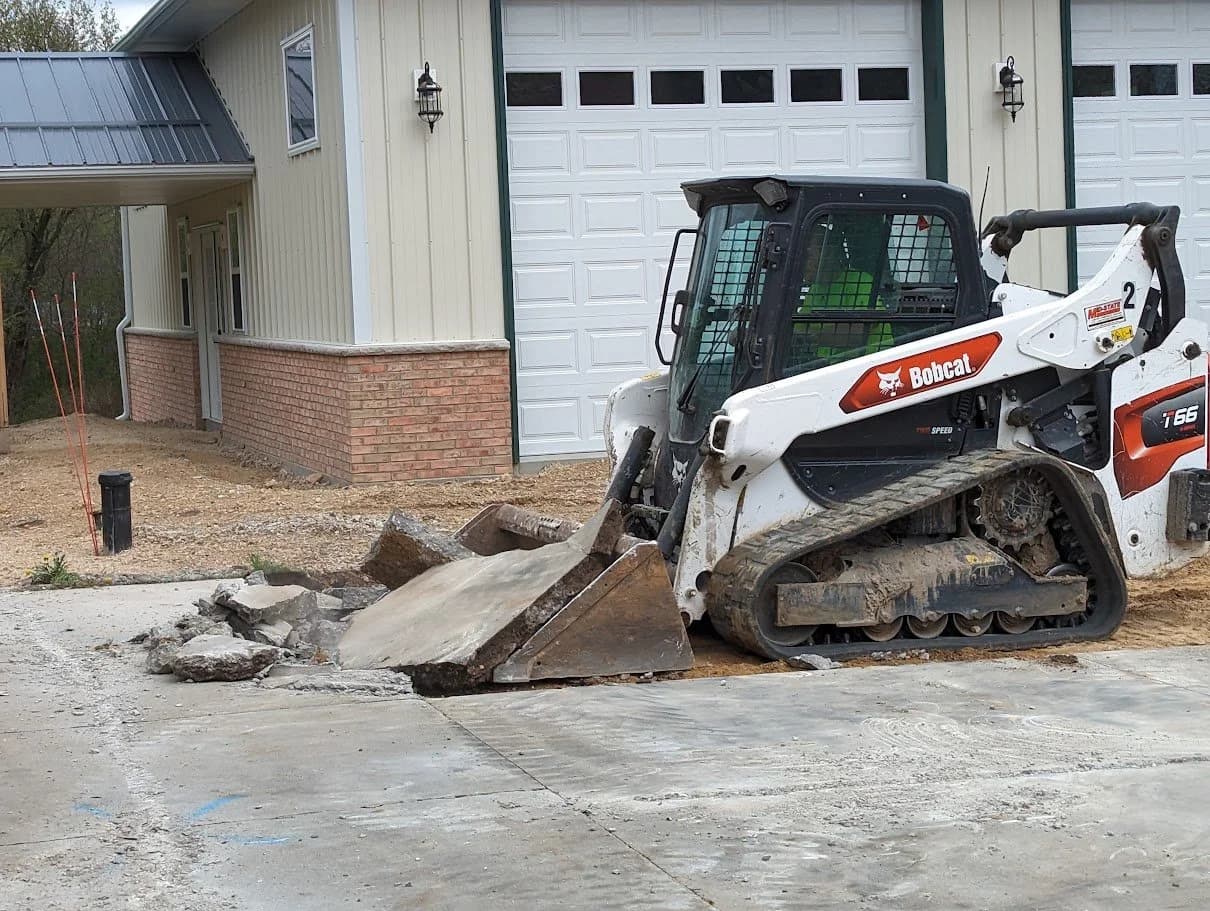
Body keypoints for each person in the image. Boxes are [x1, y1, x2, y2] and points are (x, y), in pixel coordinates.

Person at [792, 216, 893, 369]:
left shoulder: (862, 282)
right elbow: (798, 329)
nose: (800, 263)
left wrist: (812, 338)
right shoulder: (815, 290)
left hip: (871, 368)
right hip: (829, 368)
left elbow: (860, 331)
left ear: (828, 253)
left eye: (807, 256)